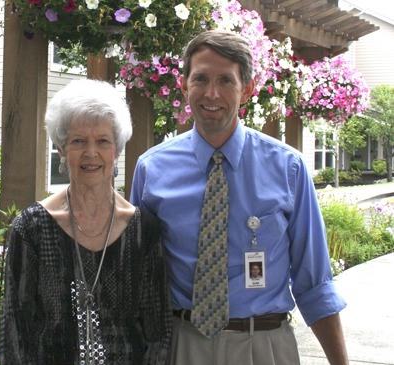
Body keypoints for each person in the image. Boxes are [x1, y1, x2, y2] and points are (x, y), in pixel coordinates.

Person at [130, 30, 349, 364]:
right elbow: (137, 276)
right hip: (181, 346)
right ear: (183, 84)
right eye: (200, 78)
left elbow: (314, 281)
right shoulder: (151, 170)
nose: (211, 93)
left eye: (226, 81)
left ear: (247, 88)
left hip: (264, 346)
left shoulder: (288, 168)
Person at [0, 79, 172, 364]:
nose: (91, 153)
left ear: (116, 150)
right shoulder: (31, 229)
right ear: (61, 149)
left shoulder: (144, 230)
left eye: (102, 141)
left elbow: (159, 334)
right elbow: (15, 334)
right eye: (78, 141)